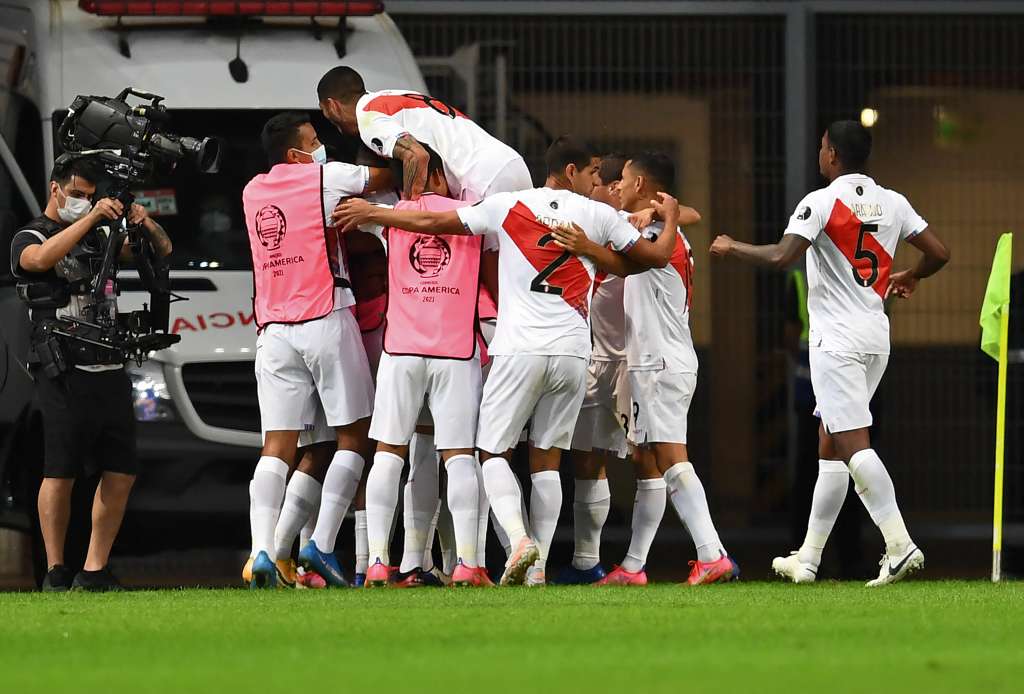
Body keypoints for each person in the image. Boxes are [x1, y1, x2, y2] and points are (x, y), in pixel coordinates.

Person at [333, 136, 683, 585]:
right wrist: (666, 215)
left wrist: (376, 213)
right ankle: (534, 572)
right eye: (593, 174)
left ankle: (517, 542)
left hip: (517, 348)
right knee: (547, 460)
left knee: (491, 451)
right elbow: (651, 257)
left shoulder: (508, 206)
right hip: (573, 351)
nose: (599, 182)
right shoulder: (599, 216)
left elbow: (435, 220)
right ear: (570, 172)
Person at [710, 120, 950, 586]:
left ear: (834, 155)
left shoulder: (820, 203)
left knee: (852, 443)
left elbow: (782, 257)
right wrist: (913, 274)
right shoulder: (893, 201)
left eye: (822, 147)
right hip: (874, 337)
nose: (819, 153)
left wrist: (733, 245)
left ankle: (899, 544)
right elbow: (939, 251)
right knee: (830, 443)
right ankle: (809, 558)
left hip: (835, 342)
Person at [552, 153, 736, 586]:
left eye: (626, 180)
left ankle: (711, 554)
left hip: (658, 361)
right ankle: (633, 567)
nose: (618, 186)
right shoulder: (662, 230)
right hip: (662, 358)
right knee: (653, 456)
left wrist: (588, 248)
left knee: (672, 459)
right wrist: (660, 212)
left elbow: (627, 262)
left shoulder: (656, 238)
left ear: (642, 186)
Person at [10, 157, 172, 591]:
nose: (82, 202)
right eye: (76, 194)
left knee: (121, 470)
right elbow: (41, 259)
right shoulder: (30, 234)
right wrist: (93, 217)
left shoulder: (101, 234)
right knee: (59, 471)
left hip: (110, 365)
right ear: (55, 189)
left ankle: (95, 568)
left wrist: (143, 222)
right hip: (63, 368)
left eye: (89, 196)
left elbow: (162, 250)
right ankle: (55, 568)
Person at [240, 112, 388, 588]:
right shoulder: (322, 176)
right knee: (356, 436)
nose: (321, 145)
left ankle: (264, 549)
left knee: (278, 446)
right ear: (296, 154)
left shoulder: (252, 191)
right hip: (325, 315)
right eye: (313, 140)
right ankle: (320, 545)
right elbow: (384, 177)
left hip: (272, 331)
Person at [354, 145, 493, 588]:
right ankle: (468, 562)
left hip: (401, 350)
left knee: (389, 453)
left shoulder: (389, 215)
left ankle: (377, 560)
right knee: (459, 458)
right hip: (455, 351)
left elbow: (350, 206)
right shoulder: (471, 211)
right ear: (437, 174)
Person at [557, 154, 629, 585]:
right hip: (593, 355)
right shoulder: (600, 219)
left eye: (603, 181)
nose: (596, 188)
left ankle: (635, 563)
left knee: (650, 460)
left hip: (622, 359)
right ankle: (588, 562)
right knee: (588, 461)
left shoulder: (632, 225)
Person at [317, 66, 531, 201]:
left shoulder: (369, 118)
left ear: (332, 106)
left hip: (481, 178)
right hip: (510, 162)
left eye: (324, 111)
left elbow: (416, 155)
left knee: (490, 269)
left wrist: (410, 210)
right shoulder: (395, 95)